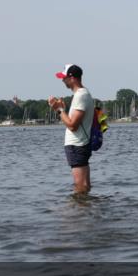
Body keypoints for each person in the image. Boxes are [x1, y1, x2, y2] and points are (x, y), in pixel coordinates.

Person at [48, 64, 94, 194]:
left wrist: (58, 110)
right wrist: (63, 111)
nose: (62, 81)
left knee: (81, 186)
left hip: (77, 145)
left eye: (64, 78)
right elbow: (74, 122)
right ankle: (84, 210)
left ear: (72, 78)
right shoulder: (82, 94)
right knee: (84, 184)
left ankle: (80, 211)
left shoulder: (80, 95)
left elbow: (73, 125)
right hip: (79, 145)